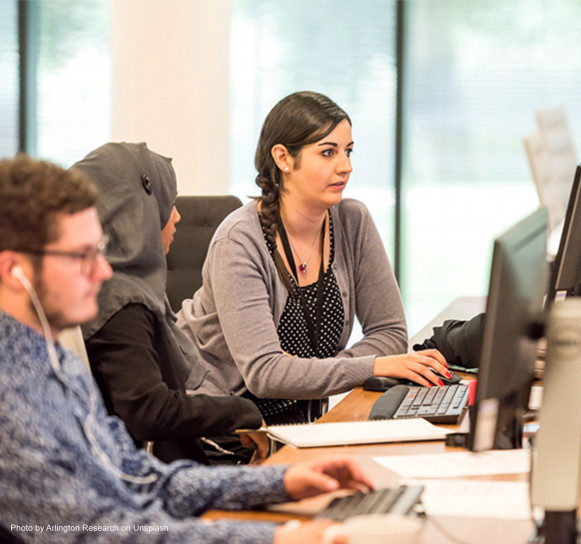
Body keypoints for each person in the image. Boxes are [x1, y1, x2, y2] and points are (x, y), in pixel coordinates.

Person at [0, 154, 372, 544]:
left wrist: (280, 481)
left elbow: (136, 475)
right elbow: (96, 531)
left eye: (99, 249)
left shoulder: (54, 363)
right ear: (13, 271)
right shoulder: (12, 396)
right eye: (81, 255)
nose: (103, 270)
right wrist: (274, 538)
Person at [177, 91, 451, 424]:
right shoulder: (239, 241)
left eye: (348, 151)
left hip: (303, 421)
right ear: (283, 158)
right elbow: (265, 373)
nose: (346, 166)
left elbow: (390, 333)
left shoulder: (352, 221)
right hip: (226, 427)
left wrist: (311, 371)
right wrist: (371, 365)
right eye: (327, 152)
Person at [72, 142, 266, 465]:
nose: (177, 216)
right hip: (153, 483)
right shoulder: (121, 302)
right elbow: (149, 411)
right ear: (137, 210)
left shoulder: (121, 288)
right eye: (169, 203)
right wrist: (241, 412)